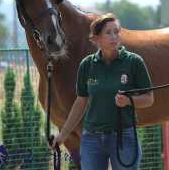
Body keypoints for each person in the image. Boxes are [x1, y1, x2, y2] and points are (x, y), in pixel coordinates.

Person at [50, 13, 154, 170]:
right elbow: (80, 102)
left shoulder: (134, 62)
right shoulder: (87, 65)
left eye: (116, 32)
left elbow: (149, 99)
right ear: (96, 39)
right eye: (108, 32)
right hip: (91, 139)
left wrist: (128, 100)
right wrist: (63, 135)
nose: (114, 37)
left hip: (124, 137)